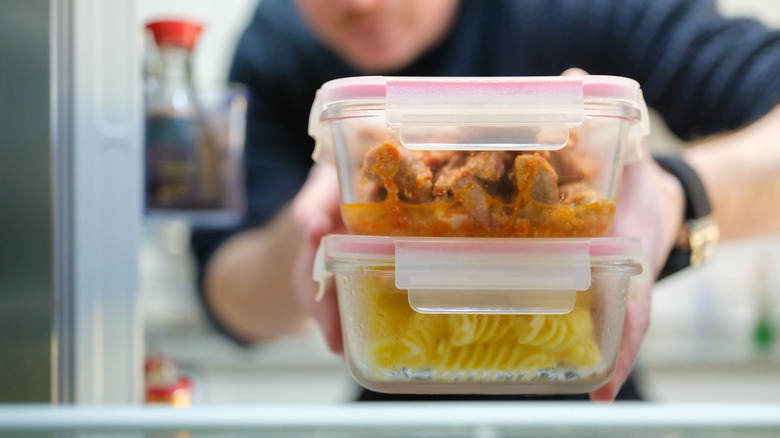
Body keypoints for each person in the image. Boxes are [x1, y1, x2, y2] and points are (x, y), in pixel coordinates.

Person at [191, 0, 780, 402]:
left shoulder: (574, 7)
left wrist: (680, 192)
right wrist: (318, 232)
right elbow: (225, 292)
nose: (363, 4)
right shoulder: (278, 42)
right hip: (397, 385)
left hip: (584, 393)